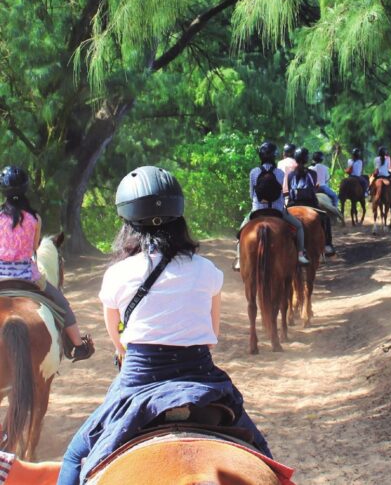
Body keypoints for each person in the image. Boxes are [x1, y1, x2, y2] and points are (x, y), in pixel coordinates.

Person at [57, 166, 274, 485]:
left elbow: (119, 343)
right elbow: (211, 337)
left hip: (138, 380)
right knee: (264, 453)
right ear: (179, 215)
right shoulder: (206, 270)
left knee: (75, 455)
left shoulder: (118, 275)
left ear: (127, 221)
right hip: (203, 380)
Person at [0, 165, 94, 361]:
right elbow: (34, 248)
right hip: (28, 277)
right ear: (25, 189)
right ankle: (78, 345)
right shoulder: (35, 218)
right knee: (61, 303)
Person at [234, 142, 310, 271]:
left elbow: (251, 194)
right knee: (299, 227)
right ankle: (300, 255)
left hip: (257, 210)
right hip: (277, 211)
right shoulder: (280, 173)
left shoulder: (254, 172)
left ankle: (239, 260)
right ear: (274, 156)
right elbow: (280, 193)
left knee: (241, 232)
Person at [288, 148, 336, 256]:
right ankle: (327, 245)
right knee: (325, 218)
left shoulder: (290, 175)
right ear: (306, 159)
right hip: (309, 203)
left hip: (293, 204)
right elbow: (313, 189)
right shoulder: (312, 173)